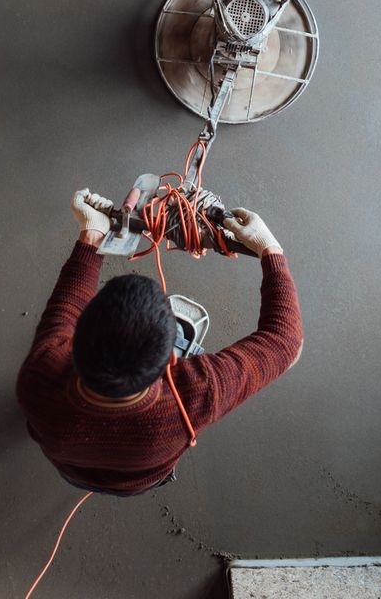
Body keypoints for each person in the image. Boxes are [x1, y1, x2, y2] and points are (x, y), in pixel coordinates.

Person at [16, 188, 303, 496]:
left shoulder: (39, 376)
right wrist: (270, 250)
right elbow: (287, 343)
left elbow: (65, 310)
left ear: (76, 338)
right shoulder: (193, 397)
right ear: (171, 362)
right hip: (139, 482)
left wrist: (92, 234)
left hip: (72, 471)